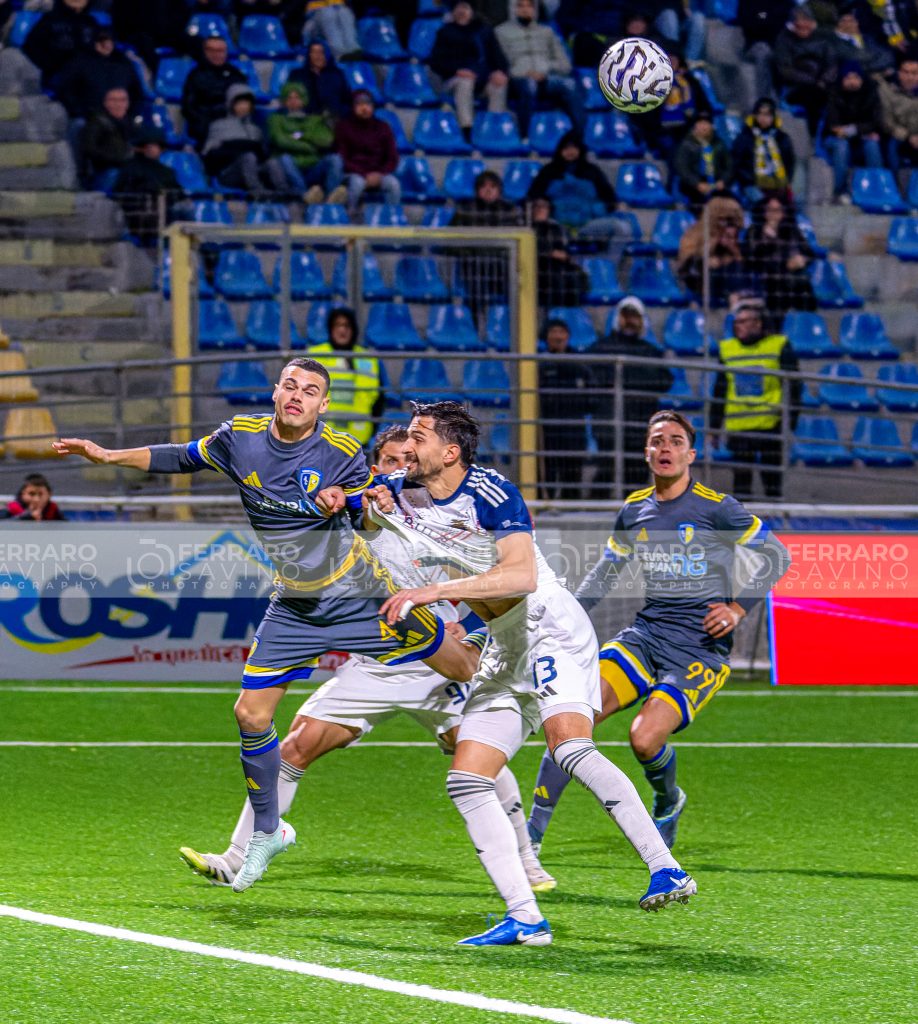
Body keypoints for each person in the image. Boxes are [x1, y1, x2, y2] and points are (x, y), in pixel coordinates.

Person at [53, 358, 480, 895]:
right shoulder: (241, 437)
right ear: (276, 392)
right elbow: (181, 456)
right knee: (250, 714)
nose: (298, 395)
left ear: (324, 404)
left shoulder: (341, 451)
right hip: (295, 606)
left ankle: (507, 669)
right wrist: (108, 455)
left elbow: (371, 514)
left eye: (311, 390)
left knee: (463, 667)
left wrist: (349, 501)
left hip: (361, 598)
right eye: (291, 386)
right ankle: (266, 832)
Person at [368, 401, 696, 946]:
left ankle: (666, 868)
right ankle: (525, 917)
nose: (408, 446)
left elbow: (519, 575)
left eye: (420, 437)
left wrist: (433, 591)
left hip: (548, 626)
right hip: (505, 645)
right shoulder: (405, 494)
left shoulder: (491, 491)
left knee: (569, 748)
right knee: (467, 779)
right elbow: (363, 510)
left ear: (449, 452)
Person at [177, 425, 555, 894]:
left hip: (433, 664)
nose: (402, 468)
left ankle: (526, 861)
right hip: (373, 666)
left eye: (408, 460)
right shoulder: (352, 515)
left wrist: (474, 630)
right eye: (392, 461)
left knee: (478, 756)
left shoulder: (437, 518)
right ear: (375, 469)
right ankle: (238, 856)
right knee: (295, 747)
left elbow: (494, 578)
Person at [526, 409, 791, 854]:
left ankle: (668, 801)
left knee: (644, 739)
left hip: (698, 648)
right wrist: (561, 612)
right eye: (657, 441)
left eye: (674, 441)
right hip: (646, 635)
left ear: (691, 454)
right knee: (573, 715)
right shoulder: (635, 509)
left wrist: (737, 609)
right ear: (646, 452)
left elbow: (777, 556)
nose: (665, 448)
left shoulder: (716, 508)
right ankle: (531, 836)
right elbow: (606, 573)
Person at [710, 298, 802, 500]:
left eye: (744, 322)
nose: (738, 326)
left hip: (770, 425)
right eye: (736, 322)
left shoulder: (778, 346)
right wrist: (714, 427)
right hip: (739, 427)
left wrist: (791, 420)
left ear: (758, 324)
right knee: (741, 486)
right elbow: (719, 390)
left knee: (772, 483)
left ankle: (775, 519)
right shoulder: (728, 349)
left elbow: (795, 386)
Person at [588, 296, 673, 495]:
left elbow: (665, 381)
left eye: (635, 317)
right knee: (605, 473)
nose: (630, 321)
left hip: (639, 427)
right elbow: (592, 377)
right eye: (626, 316)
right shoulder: (601, 348)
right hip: (608, 426)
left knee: (636, 478)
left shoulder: (651, 352)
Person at [496, 0, 583, 141]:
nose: (525, 10)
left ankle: (579, 139)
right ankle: (524, 137)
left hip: (546, 77)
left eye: (529, 6)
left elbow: (565, 65)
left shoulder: (547, 32)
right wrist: (524, 72)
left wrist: (545, 70)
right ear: (513, 9)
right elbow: (500, 65)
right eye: (520, 6)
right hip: (517, 80)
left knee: (570, 85)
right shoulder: (501, 32)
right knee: (529, 86)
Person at [427, 0, 509, 142]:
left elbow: (499, 57)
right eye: (458, 8)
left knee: (498, 85)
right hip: (453, 81)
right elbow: (436, 62)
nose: (462, 11)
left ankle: (493, 128)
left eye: (465, 7)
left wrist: (500, 72)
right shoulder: (445, 32)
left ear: (472, 11)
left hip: (482, 80)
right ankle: (467, 128)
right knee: (465, 82)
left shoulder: (484, 31)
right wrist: (457, 71)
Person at [308, 306, 385, 446]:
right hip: (322, 440)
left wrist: (371, 431)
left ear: (354, 329)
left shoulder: (368, 359)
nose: (342, 330)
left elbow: (379, 400)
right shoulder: (315, 356)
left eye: (347, 325)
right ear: (330, 329)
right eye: (337, 325)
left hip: (359, 440)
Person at [453, 169, 522, 318]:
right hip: (474, 264)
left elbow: (520, 239)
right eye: (484, 187)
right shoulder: (464, 210)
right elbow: (451, 239)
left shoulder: (511, 210)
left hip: (502, 264)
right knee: (475, 282)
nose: (488, 190)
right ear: (477, 190)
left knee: (518, 283)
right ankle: (477, 322)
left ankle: (511, 322)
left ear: (499, 190)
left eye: (493, 186)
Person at [203, 83, 290, 196]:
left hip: (253, 170)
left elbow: (262, 155)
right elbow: (209, 153)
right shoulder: (218, 125)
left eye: (246, 103)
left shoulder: (255, 129)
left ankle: (284, 192)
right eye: (239, 103)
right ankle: (257, 192)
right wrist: (234, 148)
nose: (243, 107)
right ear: (231, 104)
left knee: (272, 162)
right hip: (228, 174)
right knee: (248, 156)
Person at [538, 318, 592, 499]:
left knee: (573, 479)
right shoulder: (539, 364)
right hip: (548, 431)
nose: (558, 336)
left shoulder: (579, 365)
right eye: (553, 332)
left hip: (574, 430)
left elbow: (593, 395)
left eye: (562, 332)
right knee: (548, 475)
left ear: (568, 336)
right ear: (546, 337)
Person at [266, 80, 345, 202]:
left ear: (304, 99)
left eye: (297, 97)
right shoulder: (276, 119)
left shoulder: (315, 120)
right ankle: (304, 195)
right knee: (285, 158)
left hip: (313, 167)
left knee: (335, 159)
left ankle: (331, 197)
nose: (293, 101)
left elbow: (326, 141)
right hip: (291, 168)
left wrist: (301, 136)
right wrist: (310, 147)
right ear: (284, 101)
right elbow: (280, 140)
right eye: (289, 97)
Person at [526, 130, 618, 233]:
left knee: (620, 228)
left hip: (589, 223)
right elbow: (534, 194)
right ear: (560, 150)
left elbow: (609, 197)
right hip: (556, 224)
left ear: (580, 150)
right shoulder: (548, 171)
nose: (570, 151)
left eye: (573, 148)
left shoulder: (592, 171)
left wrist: (596, 209)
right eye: (566, 148)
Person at [742, 196, 817, 316]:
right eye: (770, 210)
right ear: (764, 212)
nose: (773, 214)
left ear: (783, 213)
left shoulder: (791, 230)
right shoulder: (754, 231)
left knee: (803, 284)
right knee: (779, 285)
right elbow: (751, 259)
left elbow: (809, 253)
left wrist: (802, 259)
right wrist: (770, 240)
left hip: (794, 278)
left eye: (777, 210)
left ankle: (806, 320)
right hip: (768, 278)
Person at [822, 59, 885, 203]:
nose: (852, 82)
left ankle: (877, 188)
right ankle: (840, 191)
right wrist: (857, 130)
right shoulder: (834, 93)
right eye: (848, 78)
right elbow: (833, 126)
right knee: (841, 146)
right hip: (835, 138)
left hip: (859, 136)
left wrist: (853, 130)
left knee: (872, 145)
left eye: (856, 77)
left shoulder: (871, 93)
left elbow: (875, 122)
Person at [331, 90, 401, 212]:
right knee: (357, 183)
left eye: (368, 104)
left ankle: (391, 217)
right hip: (352, 173)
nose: (364, 108)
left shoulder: (383, 127)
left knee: (393, 184)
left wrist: (380, 174)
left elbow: (392, 158)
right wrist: (363, 174)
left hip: (378, 173)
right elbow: (342, 158)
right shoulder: (343, 127)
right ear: (353, 107)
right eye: (359, 104)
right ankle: (348, 215)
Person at [55, 26, 145, 120]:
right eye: (103, 41)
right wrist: (80, 112)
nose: (107, 45)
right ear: (95, 42)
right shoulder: (79, 63)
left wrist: (130, 113)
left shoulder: (123, 64)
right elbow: (65, 89)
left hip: (121, 118)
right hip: (89, 118)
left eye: (110, 41)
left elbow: (135, 91)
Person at [774, 5, 838, 136]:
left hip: (823, 83)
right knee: (813, 96)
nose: (802, 24)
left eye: (806, 19)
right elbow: (785, 69)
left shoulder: (823, 37)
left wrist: (823, 80)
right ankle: (814, 136)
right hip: (797, 86)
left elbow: (832, 64)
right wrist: (812, 81)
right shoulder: (784, 39)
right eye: (798, 20)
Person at [677, 195, 751, 307]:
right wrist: (714, 241)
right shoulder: (695, 233)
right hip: (701, 277)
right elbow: (688, 260)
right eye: (721, 219)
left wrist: (731, 246)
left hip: (728, 277)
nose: (724, 223)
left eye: (728, 220)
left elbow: (742, 261)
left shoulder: (736, 234)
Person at [112, 128, 182, 245]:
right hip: (139, 214)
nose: (151, 149)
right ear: (141, 148)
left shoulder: (166, 172)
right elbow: (121, 193)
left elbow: (178, 193)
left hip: (165, 211)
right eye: (148, 146)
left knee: (183, 211)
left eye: (155, 146)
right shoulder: (130, 168)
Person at [180, 35, 247, 148]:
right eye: (211, 50)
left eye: (220, 50)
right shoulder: (195, 76)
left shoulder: (236, 75)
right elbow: (188, 108)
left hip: (233, 127)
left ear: (226, 52)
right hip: (205, 130)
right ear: (205, 52)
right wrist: (207, 125)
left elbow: (245, 104)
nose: (216, 54)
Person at [731, 97, 797, 205]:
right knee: (762, 205)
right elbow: (737, 163)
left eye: (767, 115)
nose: (763, 118)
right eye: (760, 114)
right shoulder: (745, 137)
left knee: (786, 206)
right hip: (753, 185)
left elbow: (790, 162)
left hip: (778, 185)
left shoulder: (782, 138)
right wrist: (749, 180)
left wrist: (787, 181)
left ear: (773, 117)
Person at [21, 0, 96, 91]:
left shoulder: (91, 22)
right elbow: (31, 48)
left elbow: (100, 52)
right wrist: (51, 68)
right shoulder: (49, 20)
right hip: (56, 79)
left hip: (89, 79)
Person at [530, 197, 588, 309]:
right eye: (537, 206)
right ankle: (553, 312)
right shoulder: (527, 228)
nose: (540, 210)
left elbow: (564, 251)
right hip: (538, 267)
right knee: (555, 278)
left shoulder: (556, 228)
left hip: (558, 265)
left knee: (575, 275)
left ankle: (571, 312)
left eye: (544, 207)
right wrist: (550, 253)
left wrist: (563, 255)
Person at [673, 110, 734, 211]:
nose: (704, 127)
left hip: (716, 183)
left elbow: (729, 166)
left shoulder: (719, 144)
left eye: (707, 123)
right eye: (700, 123)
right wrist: (697, 183)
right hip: (693, 185)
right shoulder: (686, 145)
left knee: (731, 203)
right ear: (695, 126)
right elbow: (682, 168)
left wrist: (723, 181)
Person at [737, 0, 795, 103]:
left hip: (782, 45)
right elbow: (749, 19)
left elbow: (791, 17)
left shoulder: (786, 2)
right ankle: (764, 101)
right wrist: (768, 15)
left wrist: (766, 15)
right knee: (763, 52)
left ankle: (786, 99)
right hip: (756, 44)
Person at [79, 87, 134, 187]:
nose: (118, 104)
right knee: (114, 174)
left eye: (123, 100)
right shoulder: (97, 122)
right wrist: (116, 159)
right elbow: (89, 149)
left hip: (127, 167)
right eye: (114, 100)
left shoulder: (130, 123)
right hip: (104, 170)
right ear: (105, 103)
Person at [288, 41, 353, 120]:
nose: (318, 56)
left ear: (327, 55)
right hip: (306, 120)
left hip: (334, 119)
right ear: (309, 55)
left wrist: (338, 113)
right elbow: (289, 98)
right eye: (314, 52)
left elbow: (347, 100)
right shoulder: (297, 75)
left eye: (321, 52)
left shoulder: (337, 74)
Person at [878, 51, 918, 170]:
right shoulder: (886, 90)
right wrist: (909, 136)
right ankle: (895, 180)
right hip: (898, 136)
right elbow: (887, 122)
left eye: (914, 73)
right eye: (906, 72)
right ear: (899, 73)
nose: (910, 77)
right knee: (892, 145)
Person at [830, 4, 895, 76]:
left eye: (851, 21)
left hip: (874, 73)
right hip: (851, 76)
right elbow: (850, 61)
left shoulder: (868, 38)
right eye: (844, 21)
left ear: (857, 23)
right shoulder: (834, 41)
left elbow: (887, 56)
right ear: (839, 24)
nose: (848, 24)